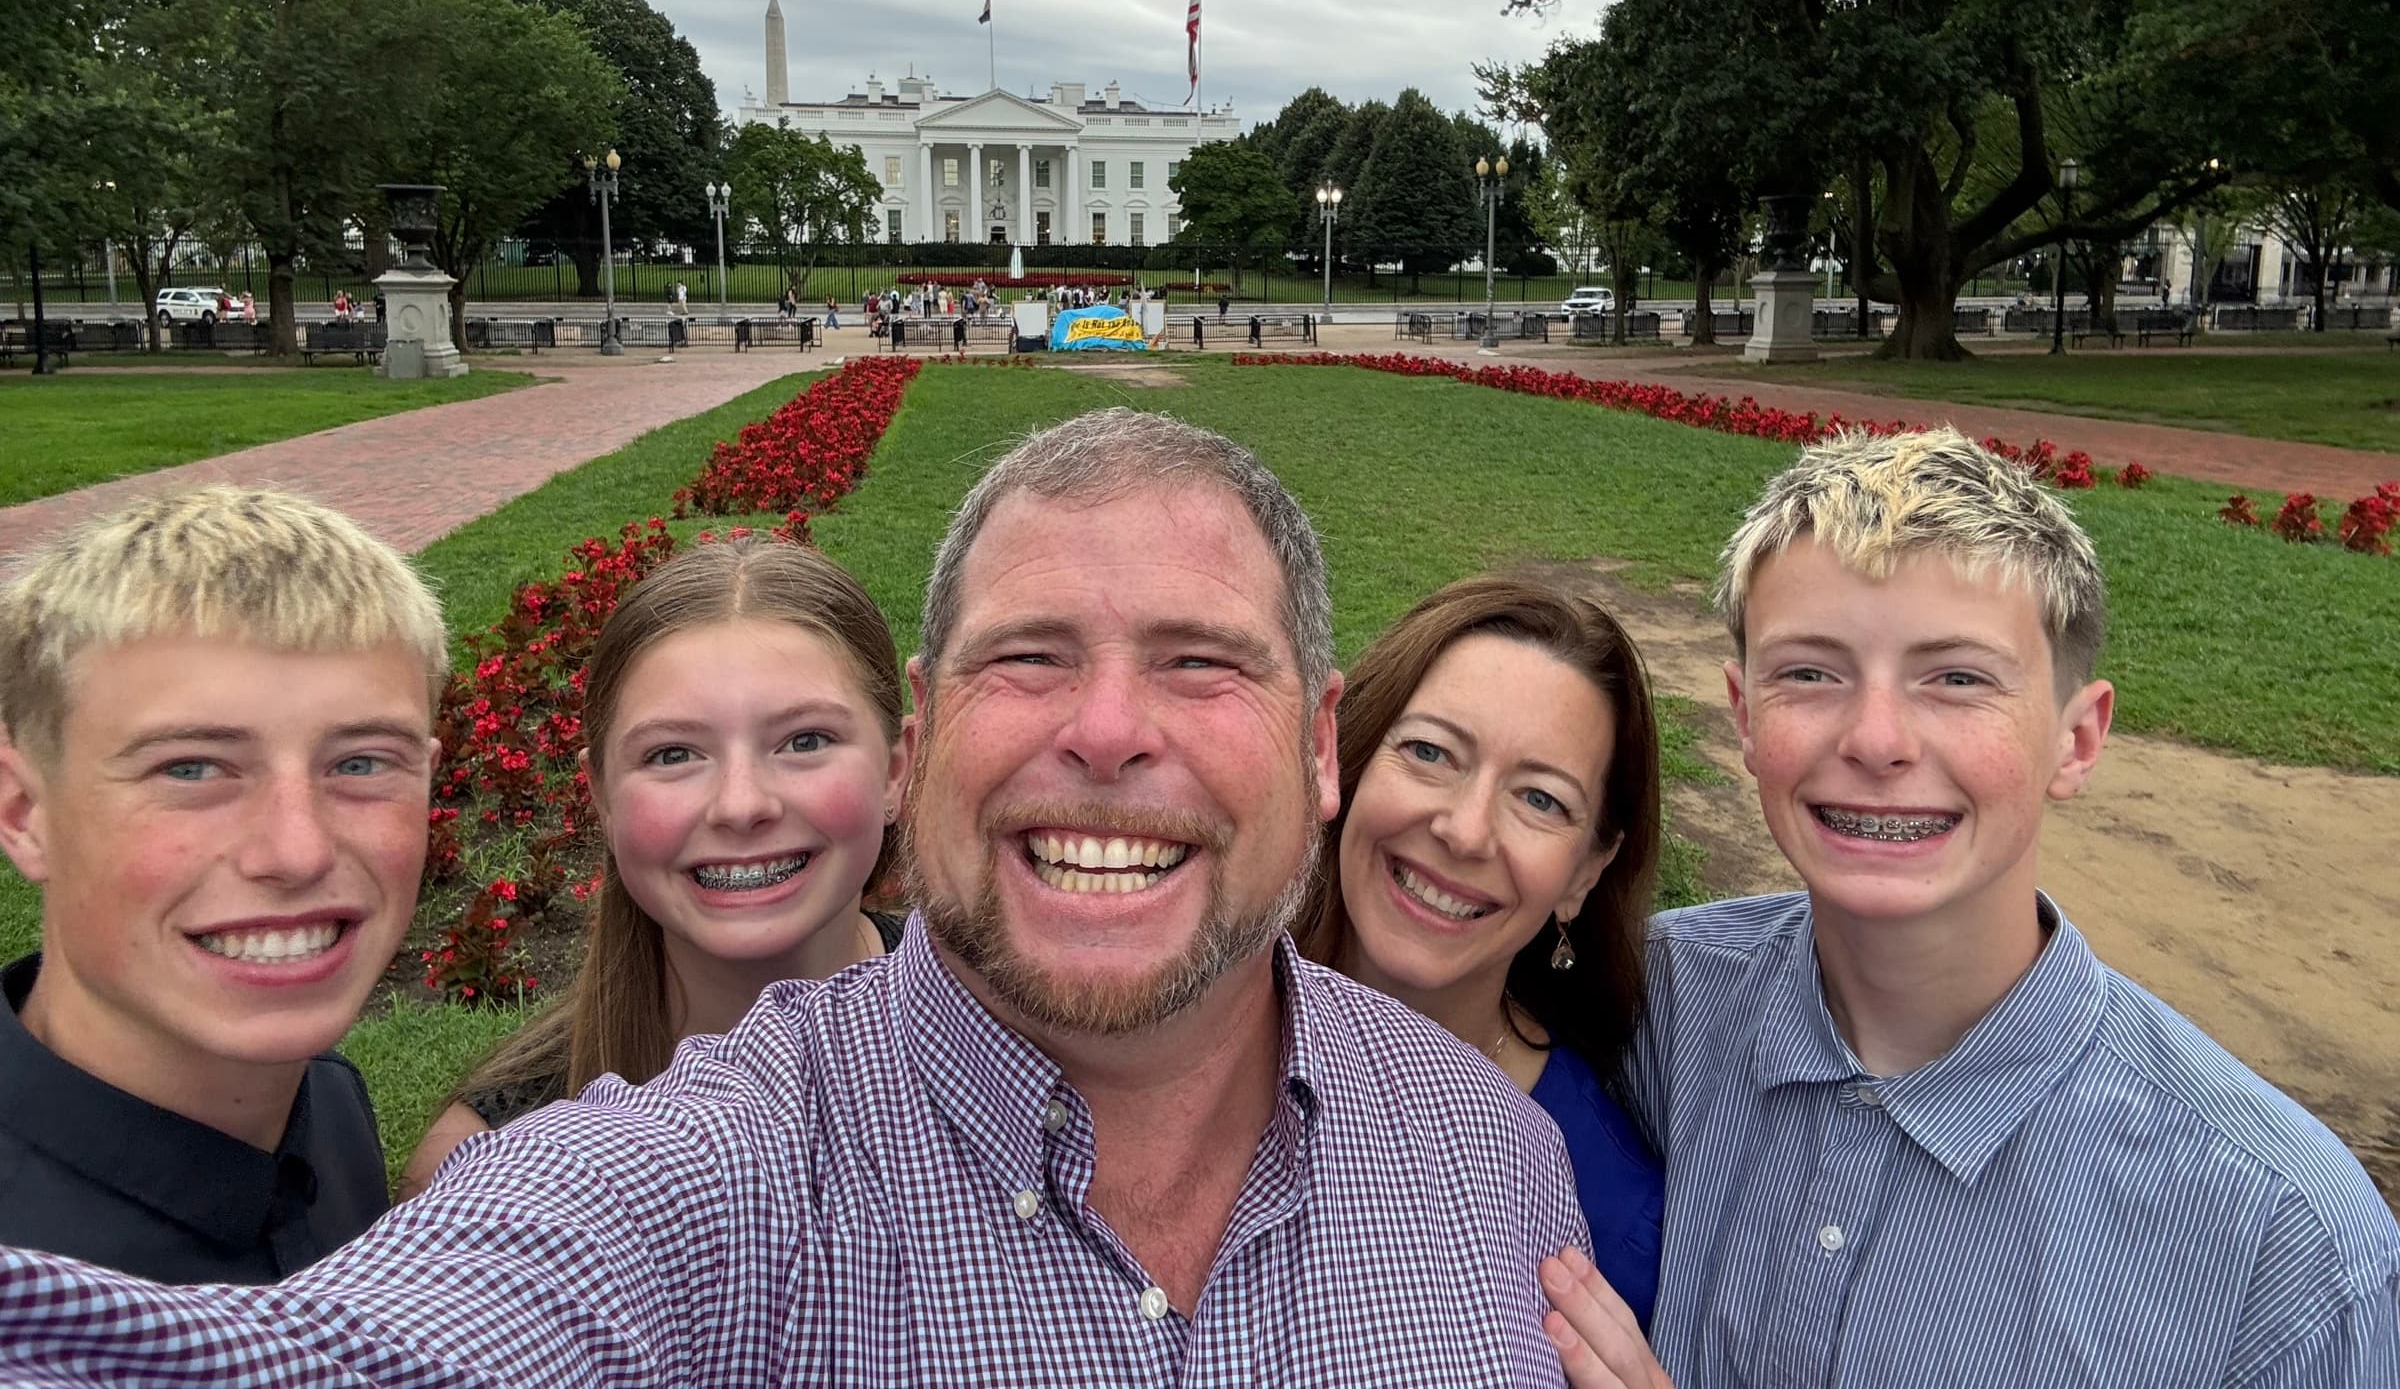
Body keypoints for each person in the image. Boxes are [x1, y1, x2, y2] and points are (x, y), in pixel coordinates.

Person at [0, 409, 1589, 1385]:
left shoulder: (1493, 1161)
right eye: (1028, 658)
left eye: (1199, 661)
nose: (1109, 731)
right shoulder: (701, 1175)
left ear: (1321, 745)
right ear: (928, 736)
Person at [1540, 428, 2400, 1389]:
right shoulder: (1652, 1001)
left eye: (1957, 678)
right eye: (1811, 673)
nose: (1877, 739)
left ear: (2077, 740)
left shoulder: (2285, 1250)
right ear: (1744, 715)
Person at [0, 485, 445, 1283]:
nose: (297, 851)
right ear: (25, 813)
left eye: (361, 763)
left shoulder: (324, 1102)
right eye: (192, 768)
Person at [399, 536, 908, 1197]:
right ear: (602, 796)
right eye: (673, 755)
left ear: (897, 771)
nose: (741, 804)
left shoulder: (1023, 1041)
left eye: (805, 741)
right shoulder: (484, 1167)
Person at [1297, 577, 1665, 1330]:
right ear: (1353, 760)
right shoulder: (1179, 1007)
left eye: (1540, 799)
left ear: (1585, 874)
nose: (1465, 831)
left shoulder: (1601, 1228)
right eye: (1430, 752)